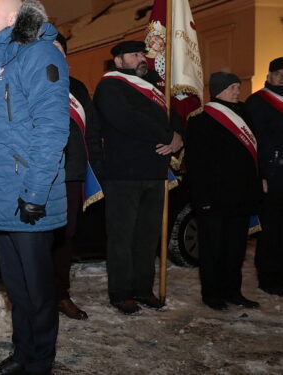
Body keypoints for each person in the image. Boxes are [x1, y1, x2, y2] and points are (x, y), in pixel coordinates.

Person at [0, 0, 69, 373]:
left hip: (28, 196)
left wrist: (34, 193)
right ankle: (22, 355)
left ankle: (39, 363)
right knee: (17, 290)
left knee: (38, 292)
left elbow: (52, 128)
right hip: (0, 195)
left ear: (13, 17)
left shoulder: (40, 54)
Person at [90, 40, 183, 315]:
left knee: (147, 236)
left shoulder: (155, 88)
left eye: (143, 53)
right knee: (122, 237)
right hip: (123, 174)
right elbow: (127, 118)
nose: (142, 58)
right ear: (119, 61)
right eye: (134, 55)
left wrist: (178, 137)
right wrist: (166, 135)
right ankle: (121, 293)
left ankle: (143, 289)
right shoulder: (110, 86)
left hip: (154, 173)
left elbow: (174, 117)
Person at [186, 72, 262, 310]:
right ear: (218, 89)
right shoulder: (201, 119)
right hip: (214, 198)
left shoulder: (244, 113)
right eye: (232, 87)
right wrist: (203, 199)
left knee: (235, 249)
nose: (237, 91)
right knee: (212, 249)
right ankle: (212, 294)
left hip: (241, 196)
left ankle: (233, 291)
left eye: (238, 87)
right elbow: (197, 164)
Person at [51, 33, 89, 321]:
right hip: (43, 174)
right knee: (39, 240)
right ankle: (38, 295)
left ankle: (61, 295)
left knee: (66, 237)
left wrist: (95, 167)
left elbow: (93, 130)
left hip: (73, 173)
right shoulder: (35, 83)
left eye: (58, 49)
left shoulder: (77, 87)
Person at [248, 57, 283, 296]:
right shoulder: (258, 102)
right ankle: (268, 276)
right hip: (272, 174)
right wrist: (261, 174)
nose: (281, 77)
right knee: (272, 228)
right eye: (278, 73)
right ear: (269, 75)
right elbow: (254, 142)